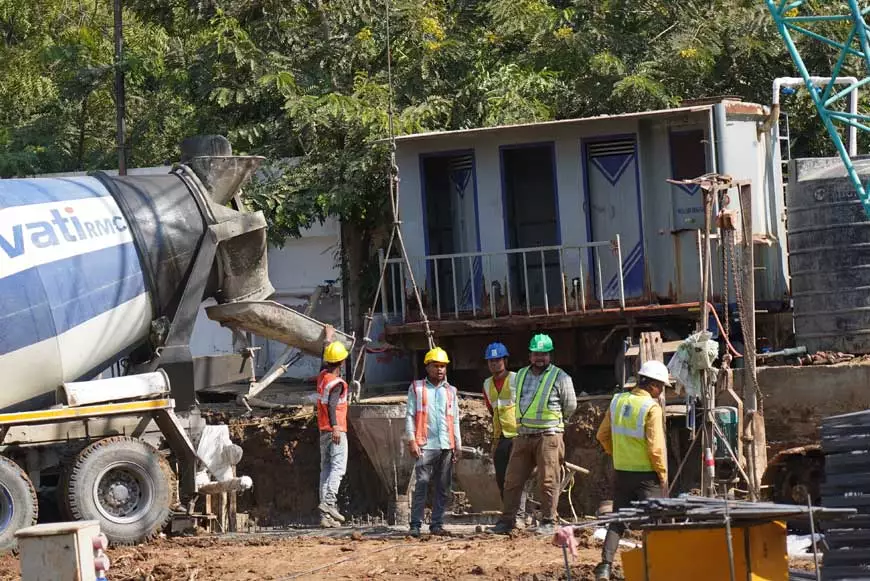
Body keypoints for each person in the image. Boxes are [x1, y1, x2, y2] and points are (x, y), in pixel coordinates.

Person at [491, 333, 577, 536]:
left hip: (549, 435)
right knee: (512, 480)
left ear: (550, 355)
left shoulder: (560, 376)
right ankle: (507, 520)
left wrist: (555, 422)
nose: (540, 358)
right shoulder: (520, 375)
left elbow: (570, 405)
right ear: (530, 355)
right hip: (523, 435)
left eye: (544, 354)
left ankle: (548, 520)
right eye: (536, 353)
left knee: (548, 479)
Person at [592, 360, 670, 581]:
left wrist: (616, 454)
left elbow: (602, 435)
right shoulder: (651, 408)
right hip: (647, 475)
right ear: (653, 385)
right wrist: (662, 475)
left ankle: (604, 566)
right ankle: (654, 568)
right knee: (654, 522)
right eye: (662, 387)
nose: (661, 392)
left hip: (622, 472)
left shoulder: (617, 401)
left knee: (617, 520)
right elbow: (655, 448)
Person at [406, 346, 462, 537]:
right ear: (427, 367)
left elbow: (454, 419)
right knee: (421, 483)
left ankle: (437, 524)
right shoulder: (417, 388)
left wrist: (458, 444)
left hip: (446, 445)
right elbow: (410, 415)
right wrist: (411, 440)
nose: (440, 369)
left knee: (443, 486)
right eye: (436, 365)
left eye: (443, 366)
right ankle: (415, 525)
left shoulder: (451, 391)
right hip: (425, 444)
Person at [481, 342, 528, 525]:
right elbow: (491, 409)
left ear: (505, 360)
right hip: (500, 437)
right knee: (502, 478)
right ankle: (509, 515)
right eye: (491, 361)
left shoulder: (517, 379)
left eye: (498, 360)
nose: (494, 364)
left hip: (517, 435)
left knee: (517, 477)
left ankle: (520, 516)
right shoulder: (486, 384)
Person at [317, 340, 351, 528]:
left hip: (323, 431)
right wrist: (336, 426)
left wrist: (327, 339)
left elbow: (324, 360)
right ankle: (329, 503)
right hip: (335, 431)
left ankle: (325, 517)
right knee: (338, 468)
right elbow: (331, 405)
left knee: (326, 470)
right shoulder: (337, 384)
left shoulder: (323, 377)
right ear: (342, 362)